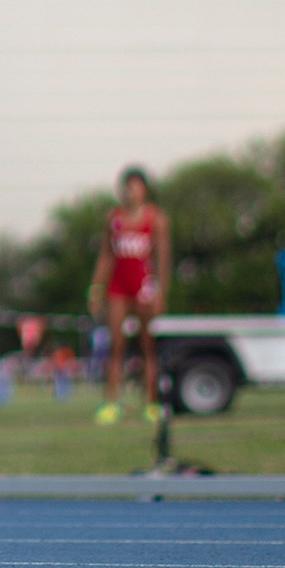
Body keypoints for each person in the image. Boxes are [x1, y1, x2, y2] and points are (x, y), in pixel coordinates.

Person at [87, 167, 170, 425]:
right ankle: (112, 403)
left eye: (136, 186)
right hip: (118, 287)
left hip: (143, 286)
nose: (131, 192)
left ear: (144, 189)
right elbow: (105, 255)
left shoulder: (156, 218)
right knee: (116, 346)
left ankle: (151, 403)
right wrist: (96, 288)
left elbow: (163, 259)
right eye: (127, 187)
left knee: (147, 346)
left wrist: (161, 293)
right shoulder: (114, 218)